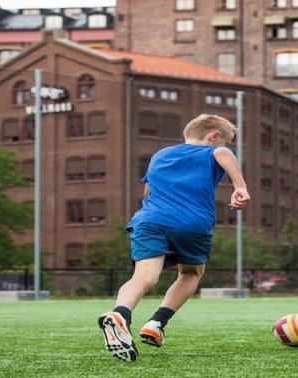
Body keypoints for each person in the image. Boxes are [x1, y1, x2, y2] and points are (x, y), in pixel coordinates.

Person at [98, 114, 250, 362]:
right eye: (226, 141)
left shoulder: (160, 155)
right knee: (191, 273)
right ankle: (157, 322)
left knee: (144, 277)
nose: (227, 147)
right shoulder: (216, 152)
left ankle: (119, 314)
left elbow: (148, 191)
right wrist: (240, 187)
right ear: (213, 137)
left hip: (149, 220)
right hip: (191, 224)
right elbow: (223, 155)